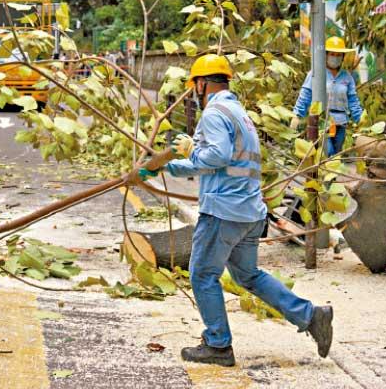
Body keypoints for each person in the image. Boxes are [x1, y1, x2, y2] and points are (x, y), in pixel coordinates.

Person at [138, 55, 332, 366]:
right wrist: (170, 166)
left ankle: (217, 345)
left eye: (194, 88)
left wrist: (186, 154)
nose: (194, 95)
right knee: (248, 275)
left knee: (202, 274)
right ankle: (311, 315)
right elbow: (226, 162)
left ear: (201, 84)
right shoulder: (239, 113)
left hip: (224, 212)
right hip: (249, 212)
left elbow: (216, 155)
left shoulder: (214, 113)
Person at [293, 37, 364, 156]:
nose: (335, 58)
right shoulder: (316, 73)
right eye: (332, 54)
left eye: (338, 55)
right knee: (328, 152)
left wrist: (361, 121)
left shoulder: (347, 77)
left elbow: (353, 101)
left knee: (336, 156)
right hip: (322, 121)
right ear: (326, 55)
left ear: (342, 57)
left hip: (341, 122)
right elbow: (306, 94)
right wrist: (297, 115)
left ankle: (331, 175)